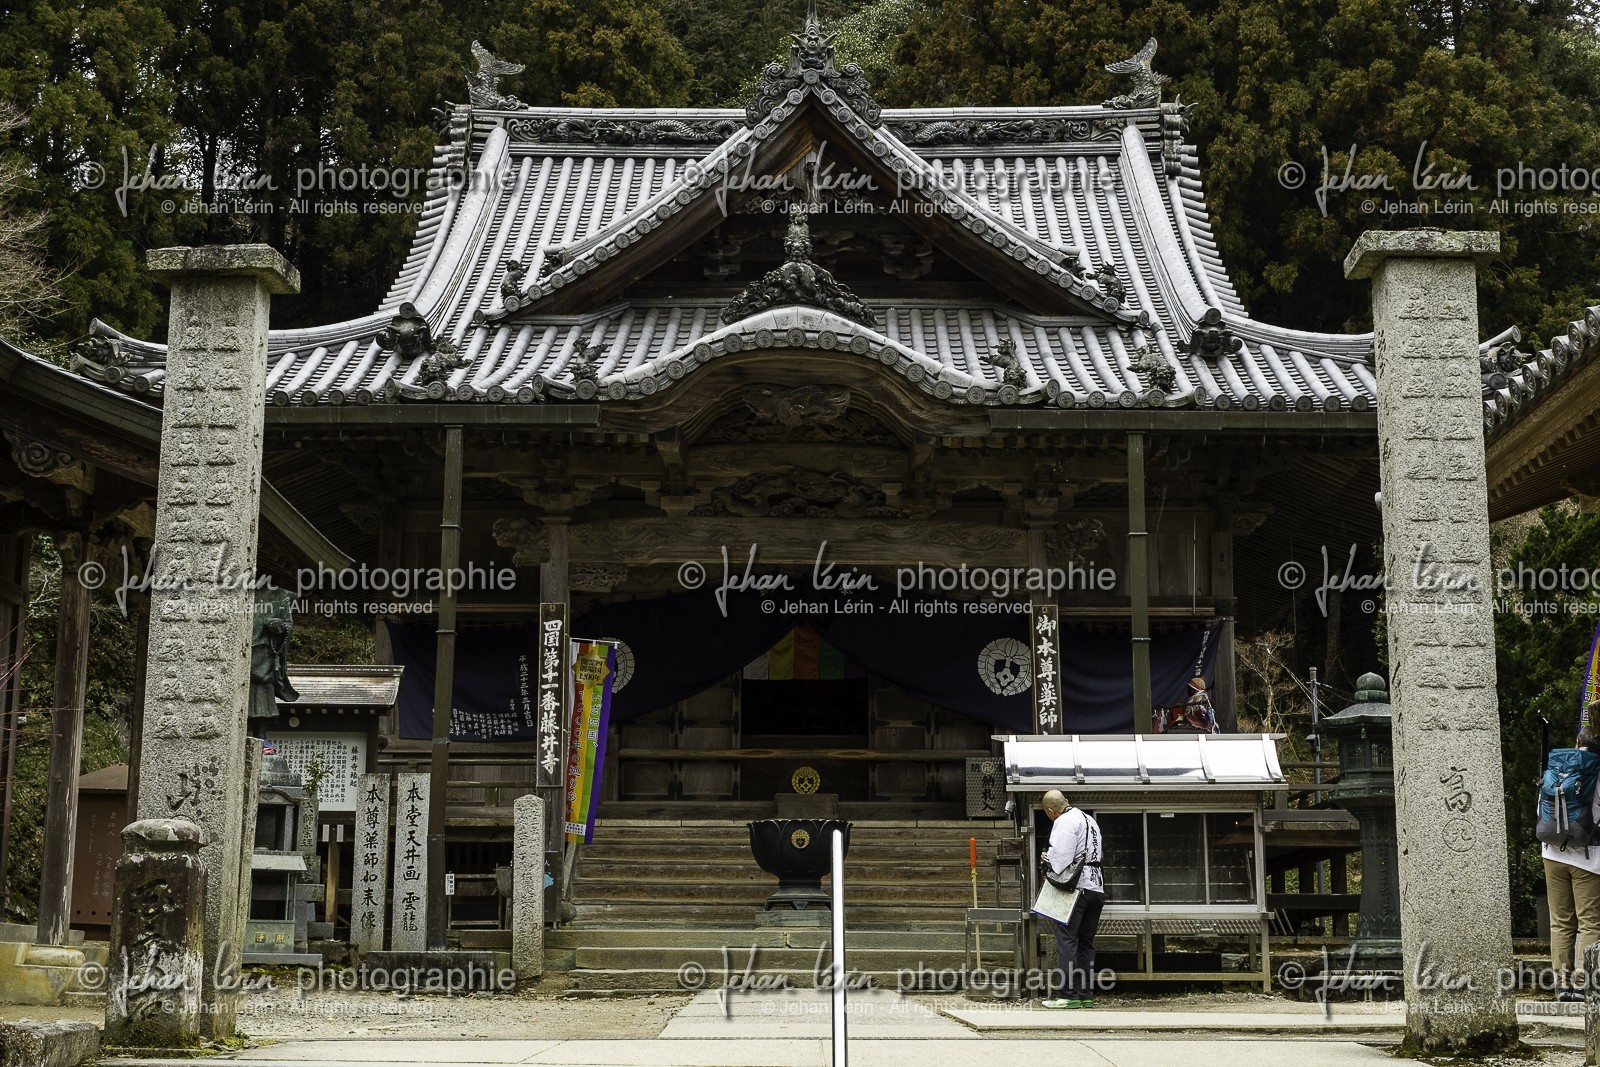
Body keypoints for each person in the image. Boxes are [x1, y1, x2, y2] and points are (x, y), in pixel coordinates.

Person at [1544, 728, 1600, 1001]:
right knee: (1589, 923)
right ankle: (1583, 985)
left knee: (1561, 922)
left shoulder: (1557, 766)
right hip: (1588, 858)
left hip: (1552, 854)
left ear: (1577, 742)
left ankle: (1561, 986)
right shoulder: (1596, 771)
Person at [1040, 788, 1105, 1009]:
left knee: (1067, 940)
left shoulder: (1065, 821)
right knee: (1086, 943)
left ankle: (1068, 995)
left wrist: (1046, 859)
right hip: (1097, 887)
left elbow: (1060, 860)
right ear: (1066, 801)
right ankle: (1086, 995)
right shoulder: (1089, 820)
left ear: (1050, 811)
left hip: (1077, 890)